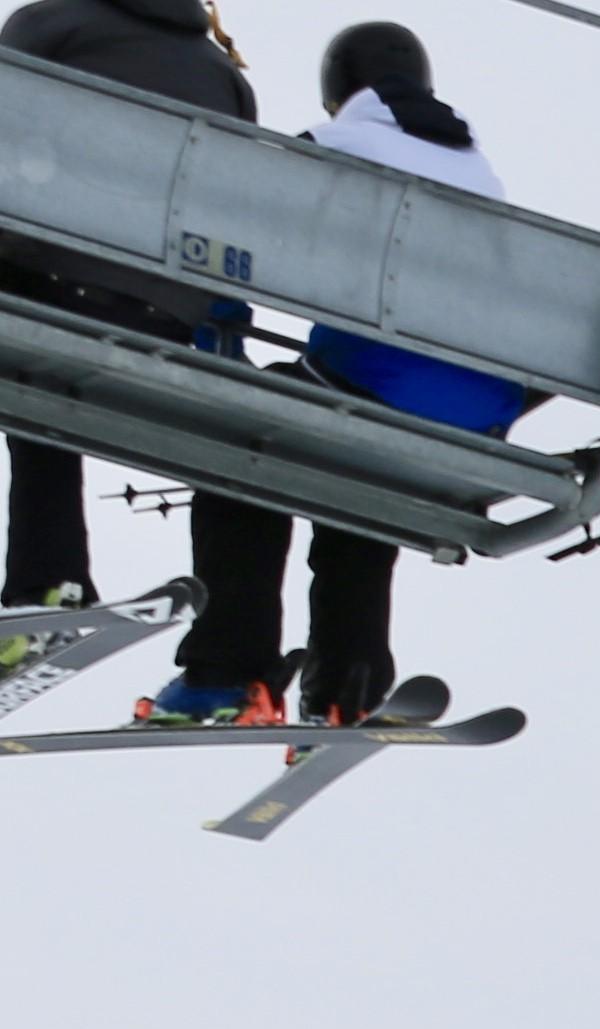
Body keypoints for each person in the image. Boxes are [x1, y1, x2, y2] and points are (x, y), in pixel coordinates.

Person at [146, 20, 519, 726]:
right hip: (477, 409)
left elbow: (239, 228)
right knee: (360, 483)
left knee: (245, 438)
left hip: (378, 379)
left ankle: (228, 666)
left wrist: (213, 332)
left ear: (337, 92)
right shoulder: (481, 170)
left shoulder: (343, 142)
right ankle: (349, 682)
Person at [0, 0, 256, 613]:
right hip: (165, 318)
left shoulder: (51, 24)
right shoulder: (226, 77)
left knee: (33, 377)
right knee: (39, 399)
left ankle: (48, 583)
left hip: (52, 282)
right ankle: (49, 582)